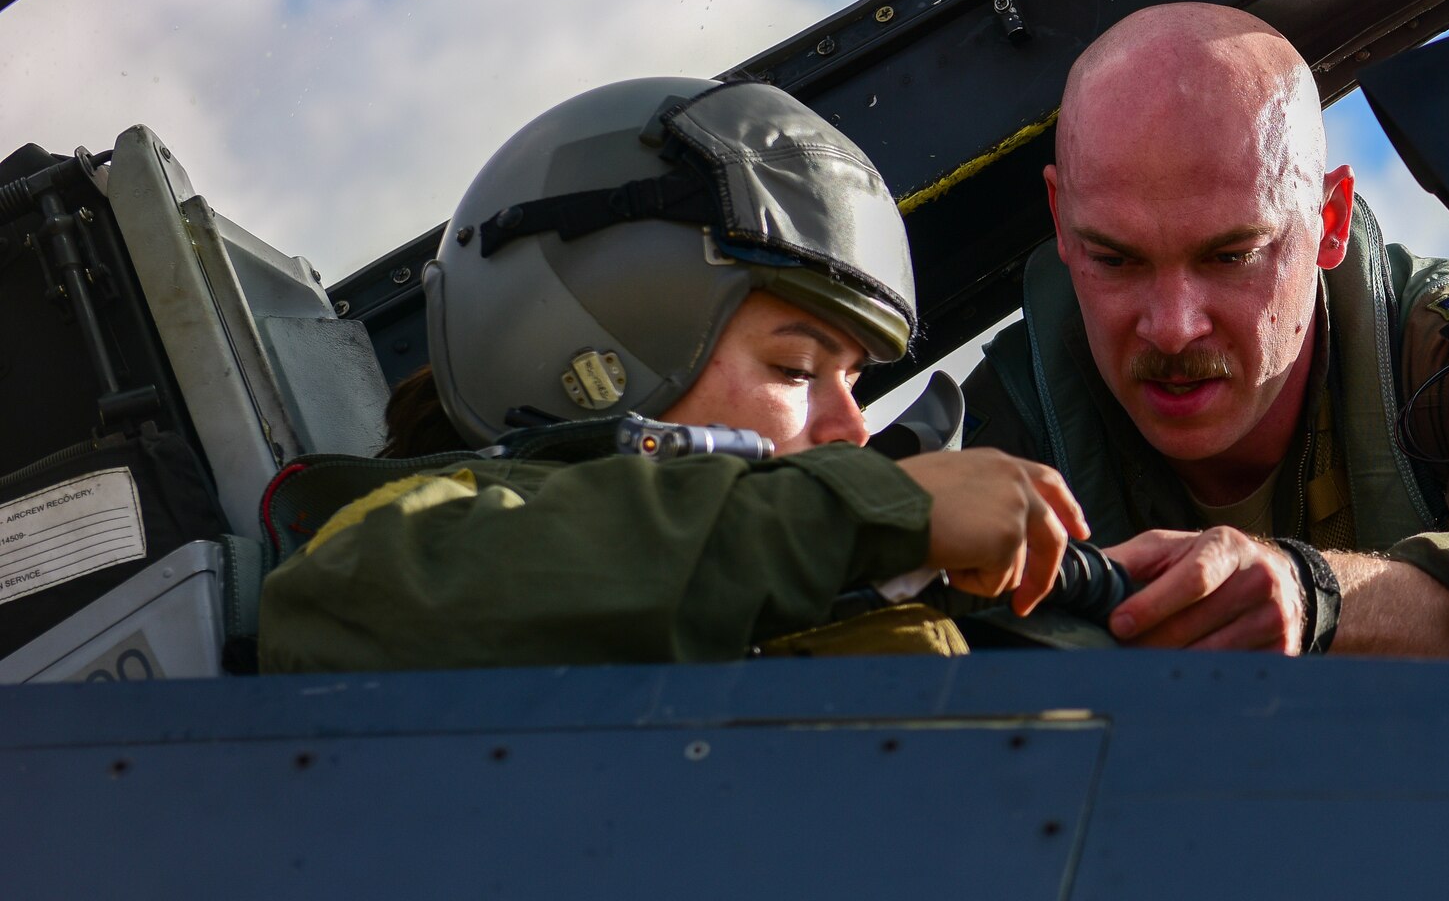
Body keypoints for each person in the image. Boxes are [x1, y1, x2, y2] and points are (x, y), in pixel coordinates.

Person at [258, 76, 1085, 672]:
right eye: (796, 368)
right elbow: (377, 601)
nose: (853, 432)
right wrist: (882, 514)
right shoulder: (406, 559)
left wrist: (1100, 606)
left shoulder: (751, 588)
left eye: (855, 381)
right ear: (591, 360)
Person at [963, 4, 1449, 665]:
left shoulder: (1448, 358)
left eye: (1231, 256)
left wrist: (1321, 599)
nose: (1174, 329)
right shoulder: (1015, 417)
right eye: (1116, 260)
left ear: (1327, 221)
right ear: (1062, 222)